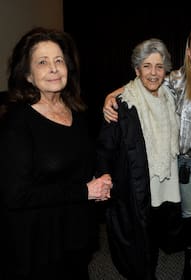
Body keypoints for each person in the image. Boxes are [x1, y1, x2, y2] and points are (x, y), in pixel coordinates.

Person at [102, 24, 191, 280]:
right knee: (186, 216)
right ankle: (190, 256)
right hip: (183, 165)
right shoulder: (175, 80)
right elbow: (140, 82)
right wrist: (110, 96)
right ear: (188, 52)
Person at [0, 27, 112, 280]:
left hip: (74, 232)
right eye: (42, 62)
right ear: (27, 75)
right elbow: (15, 196)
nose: (53, 68)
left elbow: (80, 165)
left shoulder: (76, 110)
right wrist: (85, 191)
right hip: (37, 241)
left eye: (59, 60)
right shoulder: (17, 123)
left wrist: (100, 180)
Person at [95, 38, 182, 280]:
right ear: (136, 70)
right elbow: (105, 147)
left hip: (163, 179)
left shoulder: (170, 96)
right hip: (134, 182)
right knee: (138, 234)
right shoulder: (121, 104)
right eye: (147, 66)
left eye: (159, 66)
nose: (153, 73)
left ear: (165, 70)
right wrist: (104, 176)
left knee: (154, 226)